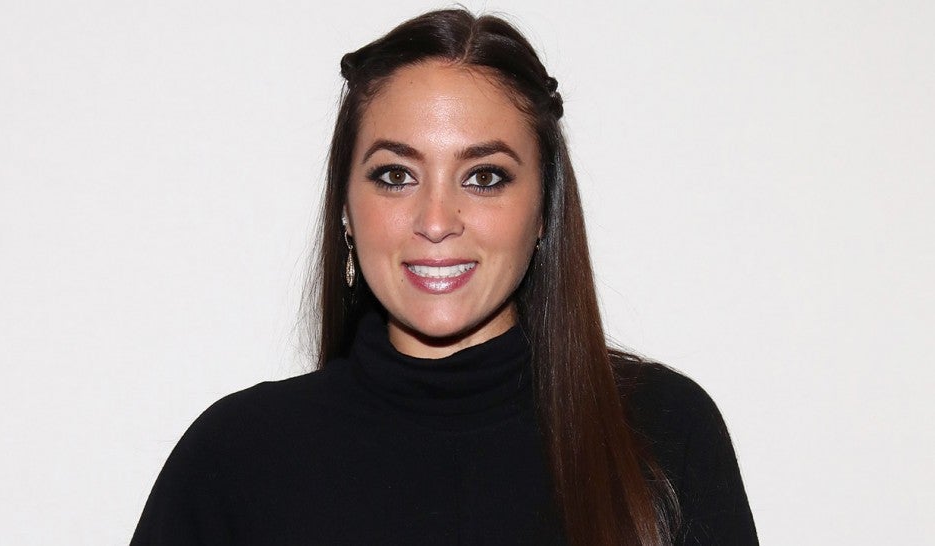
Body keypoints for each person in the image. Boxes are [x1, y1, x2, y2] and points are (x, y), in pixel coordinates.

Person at [131, 9, 758, 546]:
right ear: (345, 208)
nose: (435, 221)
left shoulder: (663, 434)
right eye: (395, 176)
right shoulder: (235, 460)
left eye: (484, 177)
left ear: (544, 210)